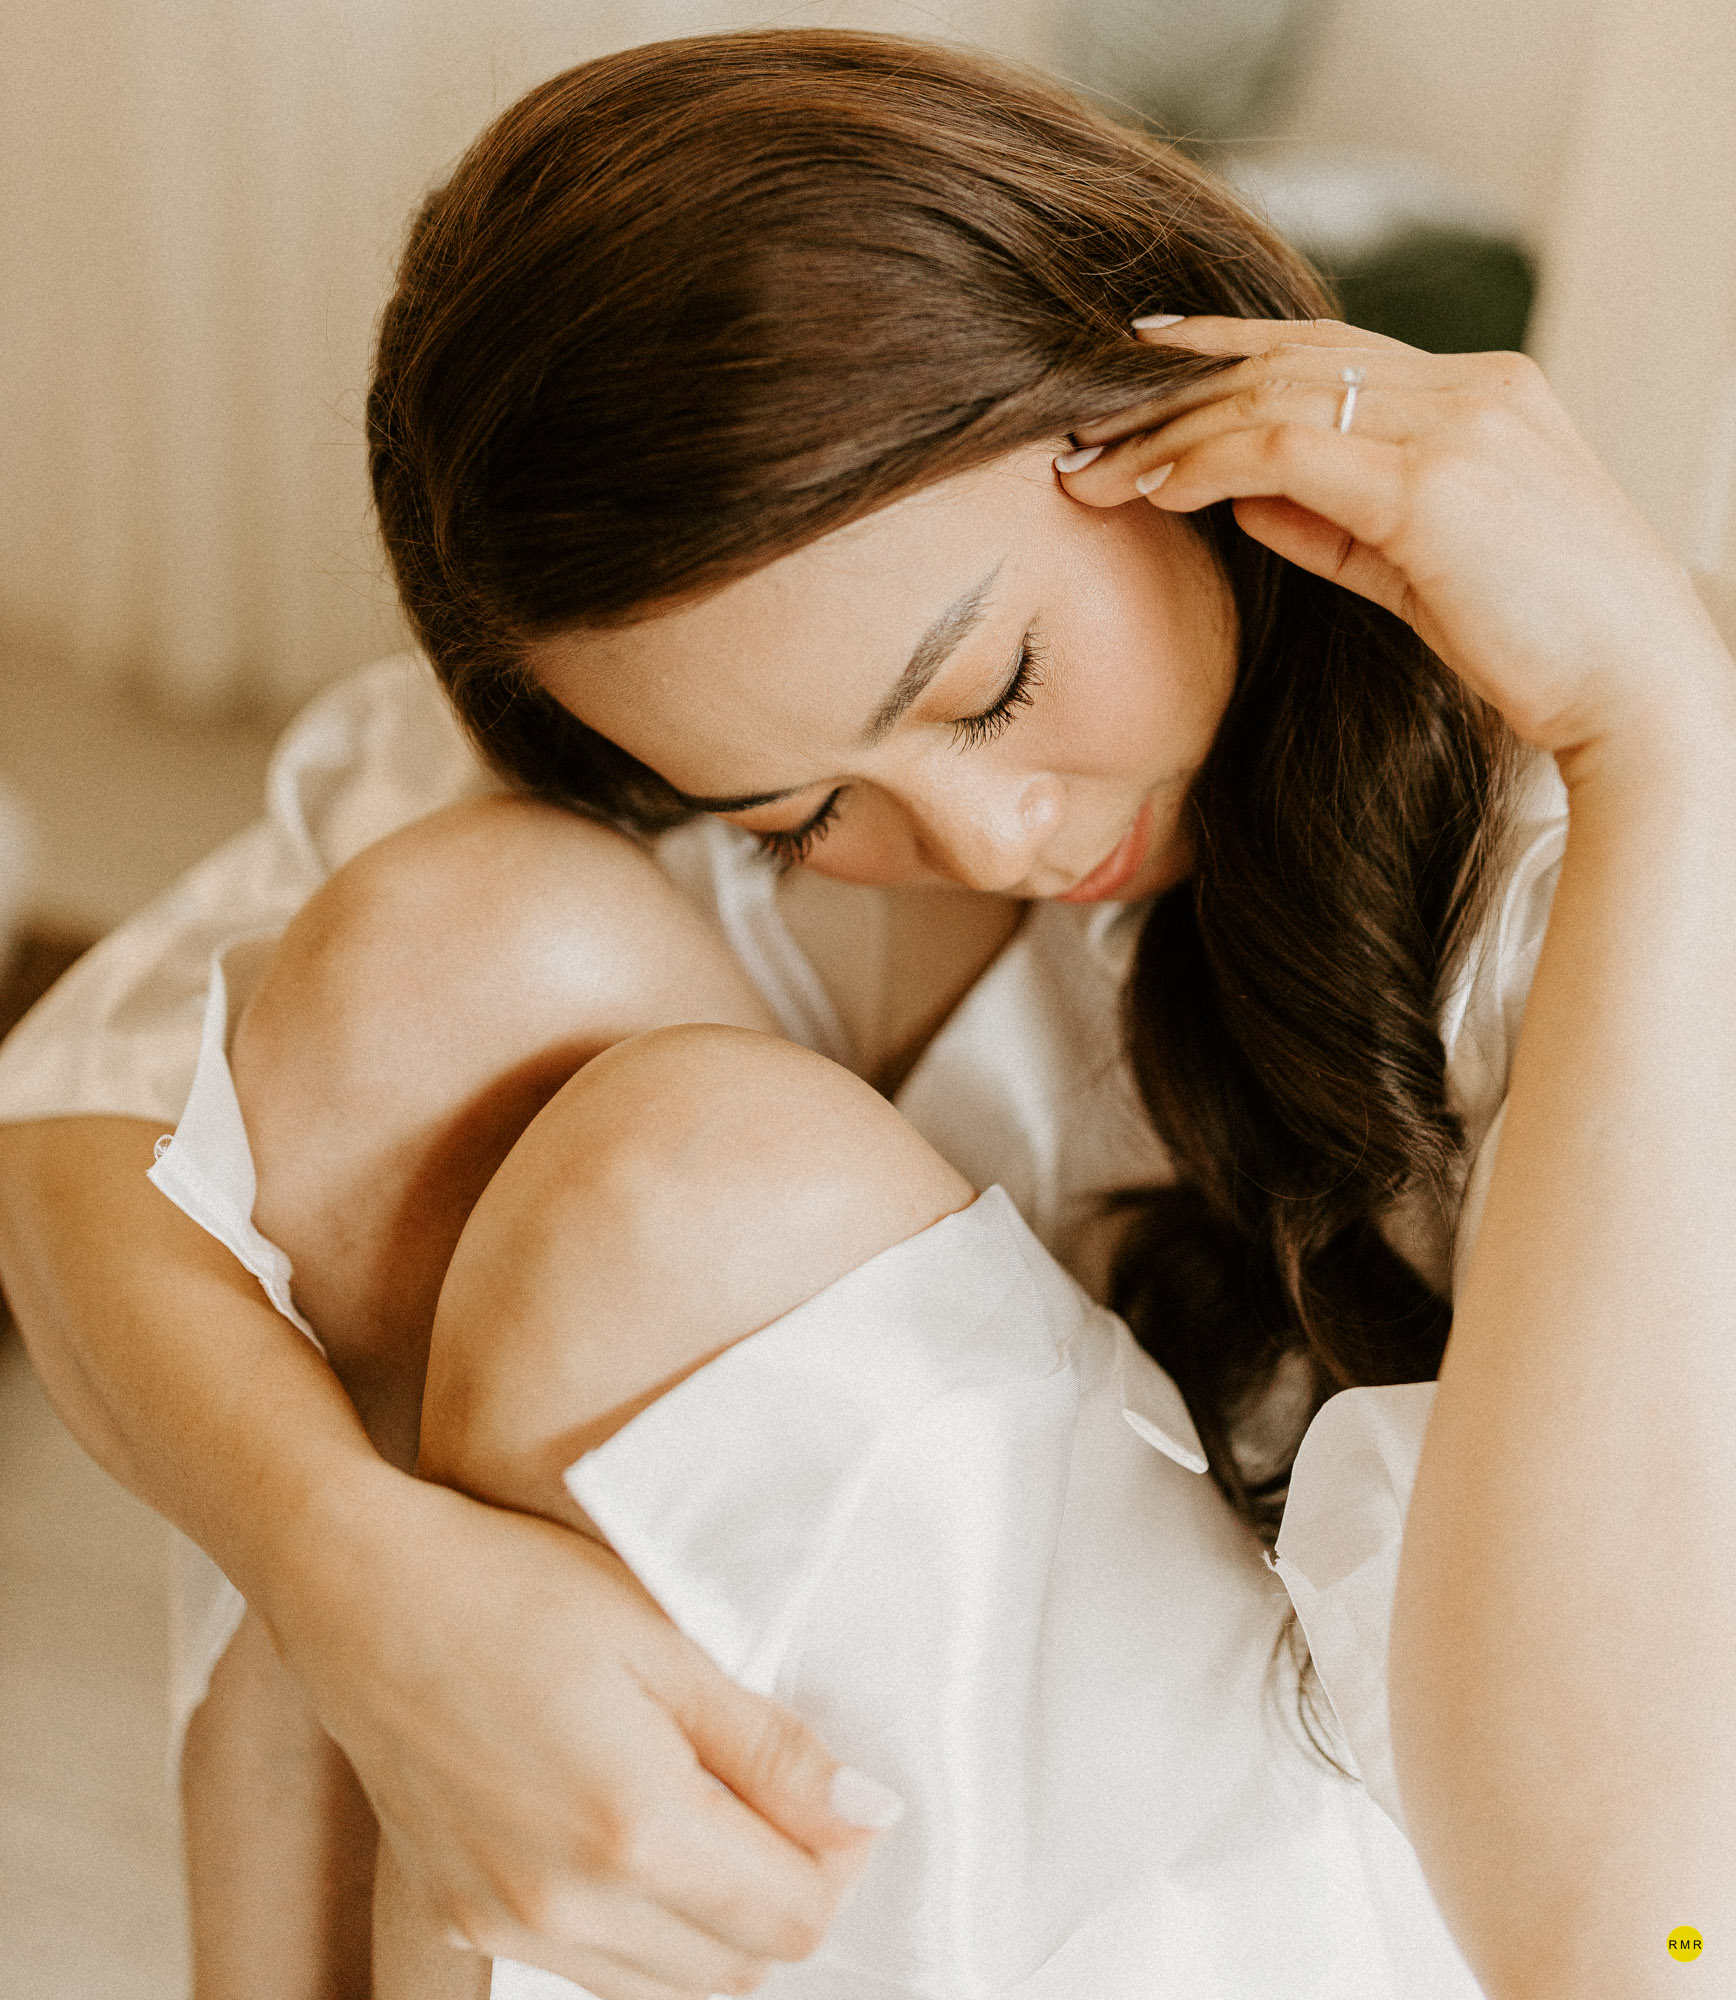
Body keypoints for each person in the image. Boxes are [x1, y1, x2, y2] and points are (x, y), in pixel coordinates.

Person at [0, 25, 1731, 2000]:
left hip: (1457, 1892)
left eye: (992, 685)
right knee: (429, 965)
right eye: (806, 812)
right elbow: (87, 1131)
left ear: (1145, 389)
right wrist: (364, 1584)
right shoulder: (722, 700)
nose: (990, 837)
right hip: (977, 1801)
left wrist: (1665, 739)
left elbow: (1633, 1937)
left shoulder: (1581, 834)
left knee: (676, 1185)